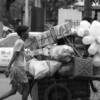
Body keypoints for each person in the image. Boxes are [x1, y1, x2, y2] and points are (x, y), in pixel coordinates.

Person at [0, 25, 34, 100]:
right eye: (27, 32)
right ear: (22, 33)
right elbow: (15, 55)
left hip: (16, 68)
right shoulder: (20, 42)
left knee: (13, 90)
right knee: (26, 88)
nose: (28, 33)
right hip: (19, 68)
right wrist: (8, 67)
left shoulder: (20, 41)